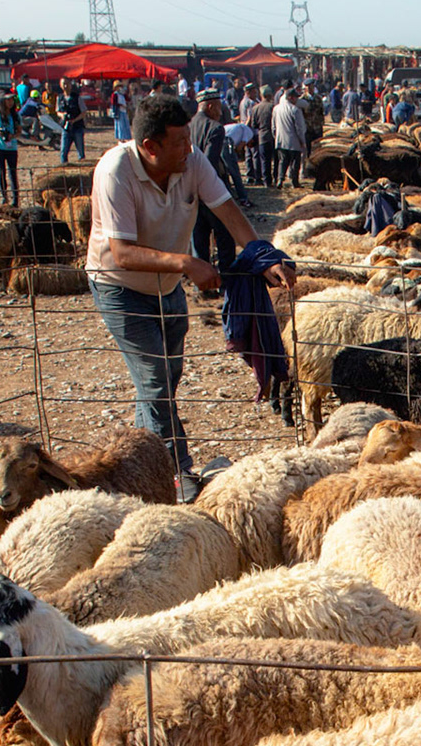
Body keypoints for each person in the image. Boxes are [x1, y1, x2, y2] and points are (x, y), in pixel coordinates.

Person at [87, 93, 294, 501]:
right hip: (120, 287)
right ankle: (177, 472)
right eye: (180, 140)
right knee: (155, 378)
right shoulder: (116, 171)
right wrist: (186, 263)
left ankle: (138, 462)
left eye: (188, 139)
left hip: (166, 287)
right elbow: (122, 253)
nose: (189, 147)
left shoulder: (191, 161)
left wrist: (260, 257)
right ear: (150, 147)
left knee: (164, 379)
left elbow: (227, 210)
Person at [189, 89, 237, 282]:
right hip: (211, 192)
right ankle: (226, 283)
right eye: (218, 107)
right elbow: (208, 164)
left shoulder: (189, 125)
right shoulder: (215, 128)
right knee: (225, 237)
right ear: (210, 107)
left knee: (199, 239)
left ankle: (201, 284)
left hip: (191, 191)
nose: (220, 112)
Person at [273, 87, 308, 187]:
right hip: (294, 141)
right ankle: (294, 181)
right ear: (291, 98)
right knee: (295, 162)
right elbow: (299, 128)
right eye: (296, 97)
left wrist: (276, 136)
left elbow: (273, 126)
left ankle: (280, 179)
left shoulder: (276, 109)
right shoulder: (295, 110)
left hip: (280, 139)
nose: (297, 99)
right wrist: (302, 141)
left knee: (282, 161)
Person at [249, 84, 277, 187]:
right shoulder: (273, 107)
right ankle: (276, 178)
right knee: (276, 160)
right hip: (273, 136)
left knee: (264, 160)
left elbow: (253, 124)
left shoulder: (255, 108)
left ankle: (266, 181)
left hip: (262, 137)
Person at [59, 80, 86, 162]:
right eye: (64, 84)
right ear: (61, 85)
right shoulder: (60, 98)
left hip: (77, 127)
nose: (66, 86)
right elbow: (58, 111)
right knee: (63, 151)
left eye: (67, 84)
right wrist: (62, 115)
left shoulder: (77, 97)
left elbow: (84, 112)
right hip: (66, 128)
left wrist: (74, 120)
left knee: (80, 152)